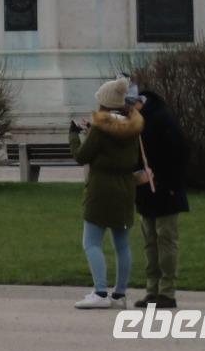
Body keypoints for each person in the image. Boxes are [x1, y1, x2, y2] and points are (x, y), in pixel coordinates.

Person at [68, 77, 145, 309]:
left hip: (101, 189)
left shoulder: (101, 128)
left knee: (91, 242)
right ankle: (119, 294)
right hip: (125, 188)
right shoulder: (132, 128)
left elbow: (81, 156)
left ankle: (100, 292)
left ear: (104, 102)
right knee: (122, 244)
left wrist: (74, 135)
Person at [131, 84, 188, 310]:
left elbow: (180, 153)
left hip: (166, 191)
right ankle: (152, 290)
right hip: (146, 191)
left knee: (165, 241)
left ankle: (166, 291)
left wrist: (170, 185)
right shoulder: (137, 121)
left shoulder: (162, 118)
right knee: (150, 243)